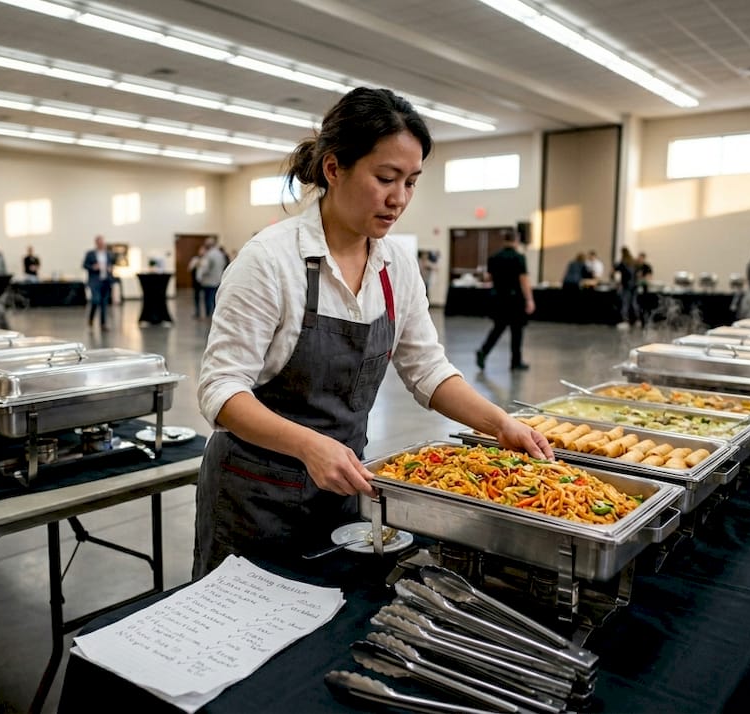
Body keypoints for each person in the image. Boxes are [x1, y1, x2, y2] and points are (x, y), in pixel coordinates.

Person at [192, 87, 552, 578]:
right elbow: (221, 390)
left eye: (411, 182)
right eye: (385, 178)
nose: (399, 198)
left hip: (344, 489)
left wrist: (499, 423)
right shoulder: (270, 261)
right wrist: (308, 445)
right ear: (334, 169)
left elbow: (427, 370)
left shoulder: (394, 267)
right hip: (255, 496)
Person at [475, 230, 533, 371]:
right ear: (516, 241)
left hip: (499, 298)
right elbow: (523, 280)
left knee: (498, 328)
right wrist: (529, 299)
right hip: (515, 300)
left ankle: (484, 351)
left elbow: (488, 277)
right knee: (517, 331)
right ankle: (515, 361)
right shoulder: (519, 258)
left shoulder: (494, 257)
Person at [83, 235, 115, 330]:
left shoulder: (108, 254)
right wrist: (93, 267)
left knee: (104, 303)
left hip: (106, 280)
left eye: (102, 242)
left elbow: (112, 264)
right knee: (96, 300)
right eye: (99, 242)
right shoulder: (90, 254)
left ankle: (103, 324)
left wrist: (110, 268)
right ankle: (91, 318)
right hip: (94, 281)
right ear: (96, 243)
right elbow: (84, 265)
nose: (101, 244)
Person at [194, 237, 227, 318]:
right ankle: (216, 314)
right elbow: (223, 265)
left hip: (209, 280)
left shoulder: (209, 254)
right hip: (218, 279)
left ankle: (209, 314)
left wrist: (199, 275)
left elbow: (205, 268)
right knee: (216, 298)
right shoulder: (220, 254)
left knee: (208, 298)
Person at [613, 248, 639, 328]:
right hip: (634, 285)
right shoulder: (633, 262)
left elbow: (615, 269)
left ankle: (625, 321)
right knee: (634, 303)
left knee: (625, 303)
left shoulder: (623, 262)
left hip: (626, 285)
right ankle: (637, 320)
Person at [187, 244, 207, 318]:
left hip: (205, 280)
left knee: (206, 297)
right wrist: (195, 264)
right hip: (196, 281)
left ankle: (207, 313)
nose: (202, 252)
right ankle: (197, 312)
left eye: (203, 250)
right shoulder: (195, 259)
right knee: (196, 297)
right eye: (200, 250)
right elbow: (189, 269)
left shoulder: (207, 259)